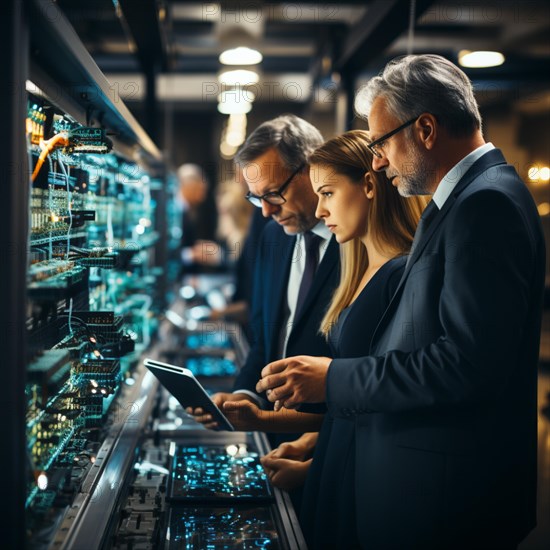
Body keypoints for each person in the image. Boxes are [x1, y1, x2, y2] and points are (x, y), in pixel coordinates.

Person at [257, 54, 545, 549]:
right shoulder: (468, 199)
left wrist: (334, 378)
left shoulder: (485, 204)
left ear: (426, 129)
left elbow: (466, 364)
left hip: (447, 499)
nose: (377, 159)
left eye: (382, 142)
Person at [254, 130, 423, 547]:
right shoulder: (359, 266)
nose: (321, 207)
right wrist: (309, 447)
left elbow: (392, 403)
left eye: (327, 193)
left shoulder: (401, 274)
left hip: (362, 482)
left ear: (368, 185)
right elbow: (354, 408)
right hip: (336, 466)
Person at [188, 115, 340, 444]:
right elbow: (263, 336)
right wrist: (245, 397)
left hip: (334, 439)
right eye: (256, 198)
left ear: (313, 168)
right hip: (270, 435)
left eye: (273, 194)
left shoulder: (359, 242)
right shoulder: (273, 235)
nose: (266, 212)